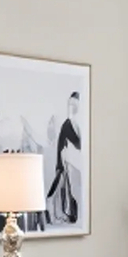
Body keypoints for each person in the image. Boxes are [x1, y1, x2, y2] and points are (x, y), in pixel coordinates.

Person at [45, 91, 82, 225]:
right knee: (61, 181)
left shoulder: (73, 122)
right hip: (64, 158)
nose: (71, 107)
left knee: (63, 184)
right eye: (70, 104)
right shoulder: (68, 123)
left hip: (66, 158)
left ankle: (56, 212)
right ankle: (52, 209)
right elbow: (77, 143)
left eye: (74, 104)